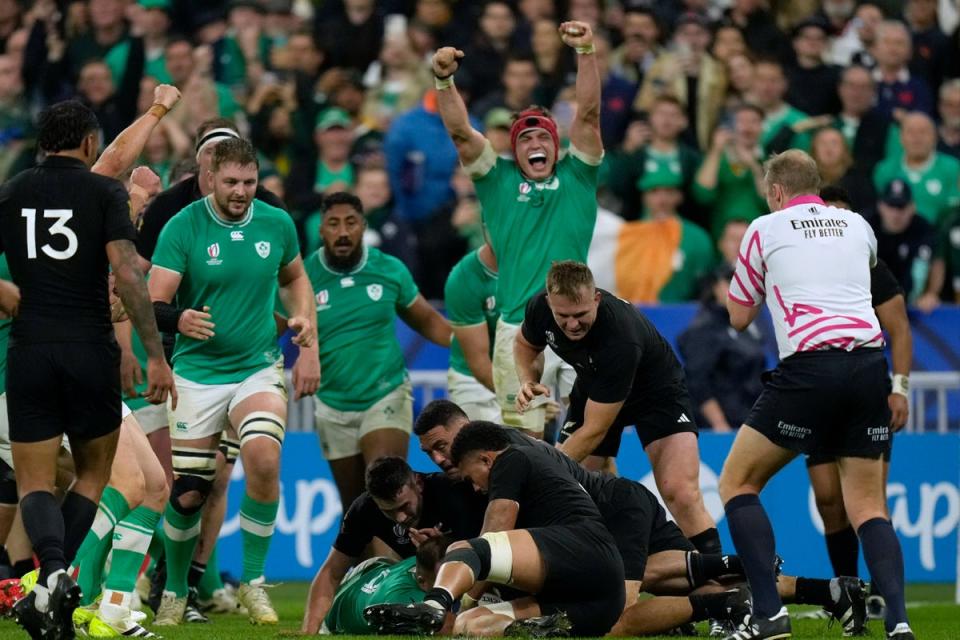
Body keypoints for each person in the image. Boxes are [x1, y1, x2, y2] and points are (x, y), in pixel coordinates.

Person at [0, 99, 174, 639]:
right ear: (90, 145)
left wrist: (15, 302)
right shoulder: (100, 194)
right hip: (88, 350)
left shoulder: (13, 193)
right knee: (99, 480)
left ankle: (48, 580)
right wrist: (153, 352)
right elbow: (126, 273)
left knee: (36, 483)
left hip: (29, 353)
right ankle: (61, 588)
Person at [721, 149, 913, 640]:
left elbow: (739, 316)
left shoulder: (764, 229)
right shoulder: (857, 226)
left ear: (777, 192)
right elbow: (860, 271)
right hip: (870, 366)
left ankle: (769, 614)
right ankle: (898, 621)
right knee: (869, 506)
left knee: (737, 483)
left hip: (810, 368)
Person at [148, 137, 317, 626]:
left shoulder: (276, 222)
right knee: (189, 494)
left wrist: (302, 318)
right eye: (231, 183)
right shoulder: (183, 226)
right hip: (197, 373)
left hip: (256, 364)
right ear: (210, 179)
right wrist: (178, 320)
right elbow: (153, 303)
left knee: (264, 455)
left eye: (249, 182)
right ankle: (176, 590)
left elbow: (295, 278)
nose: (242, 191)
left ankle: (253, 583)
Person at [429, 19, 601, 434]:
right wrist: (442, 81)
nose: (534, 144)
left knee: (592, 444)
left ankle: (590, 499)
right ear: (513, 149)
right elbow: (459, 132)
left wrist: (586, 52)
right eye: (524, 139)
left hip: (578, 319)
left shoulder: (578, 175)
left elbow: (590, 114)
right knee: (527, 441)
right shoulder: (498, 180)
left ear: (556, 146)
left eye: (542, 137)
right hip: (518, 326)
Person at [514, 261, 722, 556]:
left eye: (581, 314)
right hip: (595, 387)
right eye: (564, 316)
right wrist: (527, 379)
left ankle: (721, 581)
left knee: (681, 492)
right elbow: (525, 344)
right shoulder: (539, 309)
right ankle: (605, 566)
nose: (573, 325)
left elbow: (594, 430)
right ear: (549, 303)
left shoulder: (620, 335)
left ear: (596, 298)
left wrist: (544, 472)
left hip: (657, 394)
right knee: (575, 491)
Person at [365, 421, 626, 637]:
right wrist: (464, 613)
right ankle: (534, 631)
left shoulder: (511, 458)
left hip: (586, 552)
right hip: (595, 605)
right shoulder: (534, 461)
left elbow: (494, 533)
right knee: (472, 624)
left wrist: (462, 601)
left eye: (471, 478)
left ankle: (433, 604)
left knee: (467, 549)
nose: (476, 488)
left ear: (486, 460)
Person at [305, 191, 451, 509]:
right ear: (321, 229)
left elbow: (429, 321)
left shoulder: (388, 269)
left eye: (351, 223)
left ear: (363, 226)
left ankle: (404, 559)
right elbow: (273, 330)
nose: (342, 232)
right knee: (357, 508)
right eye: (333, 224)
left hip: (385, 394)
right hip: (332, 404)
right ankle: (373, 561)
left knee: (385, 487)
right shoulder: (303, 277)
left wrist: (478, 346)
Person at [300, 456, 487, 634]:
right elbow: (331, 573)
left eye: (404, 506)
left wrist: (446, 545)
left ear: (418, 483)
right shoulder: (364, 509)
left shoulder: (451, 494)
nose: (400, 518)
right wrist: (308, 633)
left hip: (479, 577)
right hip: (411, 578)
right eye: (389, 511)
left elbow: (488, 548)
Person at [678, 265, 768, 432]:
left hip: (749, 424)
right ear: (717, 287)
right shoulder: (703, 329)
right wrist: (719, 425)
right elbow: (697, 381)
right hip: (719, 430)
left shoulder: (747, 326)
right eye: (732, 284)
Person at [322, 536, 447, 634]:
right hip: (333, 617)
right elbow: (450, 626)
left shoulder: (423, 560)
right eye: (443, 578)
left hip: (369, 570)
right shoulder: (405, 600)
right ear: (422, 582)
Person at [445, 243, 500, 422]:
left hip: (526, 377)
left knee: (539, 446)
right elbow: (479, 364)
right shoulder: (464, 277)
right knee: (482, 448)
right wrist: (524, 403)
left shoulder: (538, 266)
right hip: (474, 383)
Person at [870, 179, 937, 302]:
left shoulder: (922, 228)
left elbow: (923, 270)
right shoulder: (866, 225)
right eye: (891, 206)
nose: (896, 214)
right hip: (868, 298)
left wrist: (926, 294)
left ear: (912, 207)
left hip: (908, 298)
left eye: (901, 207)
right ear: (880, 206)